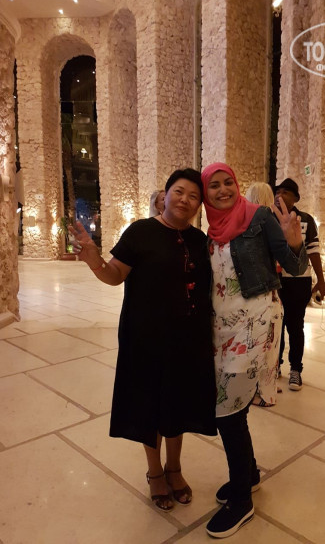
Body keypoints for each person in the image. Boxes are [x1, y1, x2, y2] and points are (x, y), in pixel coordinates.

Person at [69, 169, 217, 512]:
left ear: (199, 205)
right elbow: (115, 275)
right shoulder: (140, 232)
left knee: (178, 405)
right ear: (165, 195)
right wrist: (94, 260)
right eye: (179, 191)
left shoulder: (200, 240)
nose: (185, 200)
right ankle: (155, 473)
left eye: (193, 196)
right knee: (150, 404)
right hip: (146, 337)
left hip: (188, 340)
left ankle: (174, 468)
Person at [201, 163, 308, 538]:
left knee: (227, 412)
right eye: (214, 186)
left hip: (256, 323)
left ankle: (242, 500)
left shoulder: (259, 217)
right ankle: (249, 474)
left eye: (228, 182)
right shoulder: (211, 233)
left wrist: (294, 242)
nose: (223, 190)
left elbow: (293, 264)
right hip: (223, 329)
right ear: (205, 194)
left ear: (237, 184)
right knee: (234, 407)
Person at [274, 178, 325, 391]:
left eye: (285, 192)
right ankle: (274, 365)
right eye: (277, 192)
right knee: (275, 325)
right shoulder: (269, 219)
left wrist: (321, 280)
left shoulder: (305, 220)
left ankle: (295, 369)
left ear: (296, 198)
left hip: (299, 281)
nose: (280, 195)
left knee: (295, 325)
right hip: (274, 281)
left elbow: (313, 250)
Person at [245, 181, 281, 408]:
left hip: (257, 291)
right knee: (271, 343)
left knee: (259, 345)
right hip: (272, 290)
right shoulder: (273, 222)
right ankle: (269, 388)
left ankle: (263, 392)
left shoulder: (254, 223)